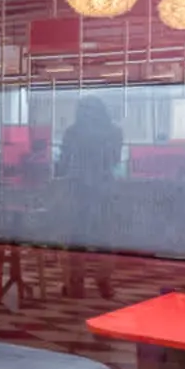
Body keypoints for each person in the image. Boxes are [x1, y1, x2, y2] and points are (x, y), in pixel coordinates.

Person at [58, 96, 122, 299]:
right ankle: (103, 282)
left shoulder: (72, 132)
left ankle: (76, 285)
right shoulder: (114, 132)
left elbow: (64, 161)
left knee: (76, 239)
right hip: (102, 189)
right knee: (105, 240)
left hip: (79, 190)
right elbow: (114, 160)